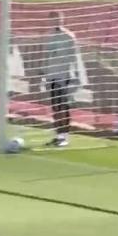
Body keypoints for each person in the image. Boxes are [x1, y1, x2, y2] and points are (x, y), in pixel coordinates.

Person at [43, 11, 81, 147]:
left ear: (62, 20)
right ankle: (58, 135)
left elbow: (75, 58)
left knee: (63, 106)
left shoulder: (68, 37)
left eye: (58, 20)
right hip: (53, 76)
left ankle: (65, 136)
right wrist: (46, 76)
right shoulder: (50, 36)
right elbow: (48, 57)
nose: (55, 22)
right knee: (55, 107)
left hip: (65, 77)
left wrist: (75, 77)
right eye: (53, 20)